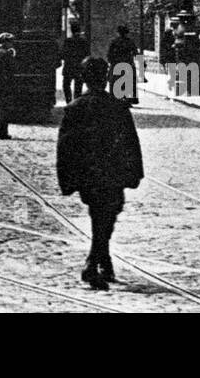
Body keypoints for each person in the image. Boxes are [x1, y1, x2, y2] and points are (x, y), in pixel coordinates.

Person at [56, 57, 144, 290]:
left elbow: (65, 147)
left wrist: (67, 179)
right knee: (107, 215)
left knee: (100, 215)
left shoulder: (75, 108)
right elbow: (130, 143)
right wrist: (134, 173)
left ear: (83, 79)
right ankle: (93, 262)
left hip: (88, 175)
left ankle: (103, 261)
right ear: (105, 78)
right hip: (112, 173)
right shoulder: (117, 106)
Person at [106, 25, 139, 106]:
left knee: (115, 82)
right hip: (128, 63)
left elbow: (109, 54)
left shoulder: (114, 41)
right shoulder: (130, 42)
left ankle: (115, 99)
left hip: (116, 64)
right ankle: (127, 100)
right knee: (128, 82)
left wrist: (111, 61)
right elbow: (136, 53)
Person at [60, 22, 90, 106]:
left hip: (69, 66)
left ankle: (69, 102)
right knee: (78, 87)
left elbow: (63, 53)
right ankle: (76, 103)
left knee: (66, 85)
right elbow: (87, 54)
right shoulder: (83, 41)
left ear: (71, 30)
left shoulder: (68, 41)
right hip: (79, 67)